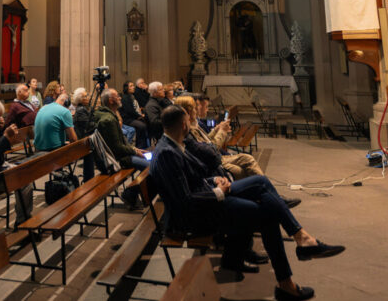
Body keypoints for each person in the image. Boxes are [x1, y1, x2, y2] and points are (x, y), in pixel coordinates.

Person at [152, 106, 340, 300]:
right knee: (267, 215)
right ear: (184, 125)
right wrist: (219, 192)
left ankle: (301, 240)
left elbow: (193, 181)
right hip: (194, 217)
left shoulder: (173, 144)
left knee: (261, 183)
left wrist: (214, 180)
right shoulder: (168, 153)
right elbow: (184, 202)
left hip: (206, 197)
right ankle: (289, 276)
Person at [179, 95, 263, 179]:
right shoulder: (189, 132)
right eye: (195, 108)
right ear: (187, 112)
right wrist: (222, 131)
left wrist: (216, 129)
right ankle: (261, 183)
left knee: (248, 158)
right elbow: (211, 149)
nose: (197, 110)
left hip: (217, 158)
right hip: (214, 162)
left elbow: (206, 140)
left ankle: (263, 183)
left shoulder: (194, 124)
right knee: (241, 170)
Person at [72, 88, 96, 182]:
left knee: (90, 163)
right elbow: (88, 125)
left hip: (87, 138)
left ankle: (89, 180)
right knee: (89, 164)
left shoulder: (84, 108)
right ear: (80, 99)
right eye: (85, 96)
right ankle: (89, 181)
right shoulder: (81, 110)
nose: (88, 97)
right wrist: (98, 123)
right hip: (84, 140)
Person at [120, 81, 149, 148]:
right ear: (126, 88)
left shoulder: (132, 96)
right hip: (127, 119)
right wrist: (139, 116)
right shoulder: (125, 97)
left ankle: (144, 145)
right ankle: (140, 145)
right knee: (142, 125)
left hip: (132, 117)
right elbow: (130, 111)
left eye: (133, 85)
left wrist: (140, 116)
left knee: (145, 121)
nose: (133, 87)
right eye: (131, 86)